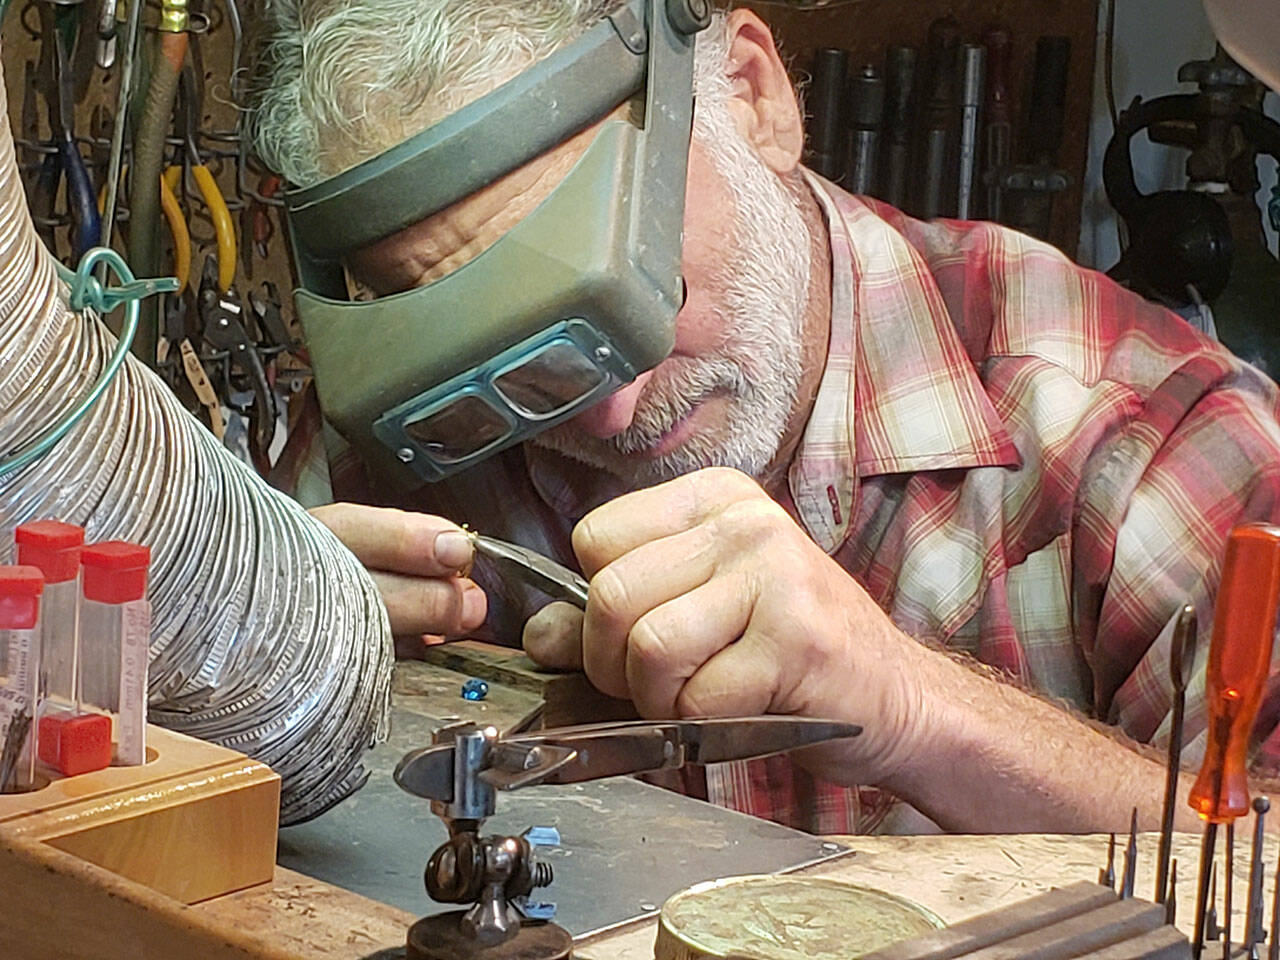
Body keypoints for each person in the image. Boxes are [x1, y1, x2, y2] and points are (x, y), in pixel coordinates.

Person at [252, 2, 1280, 834]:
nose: (609, 409)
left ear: (754, 97)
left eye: (636, 286)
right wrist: (279, 684)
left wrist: (916, 711)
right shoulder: (385, 453)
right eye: (496, 350)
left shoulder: (1147, 438)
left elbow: (1258, 889)